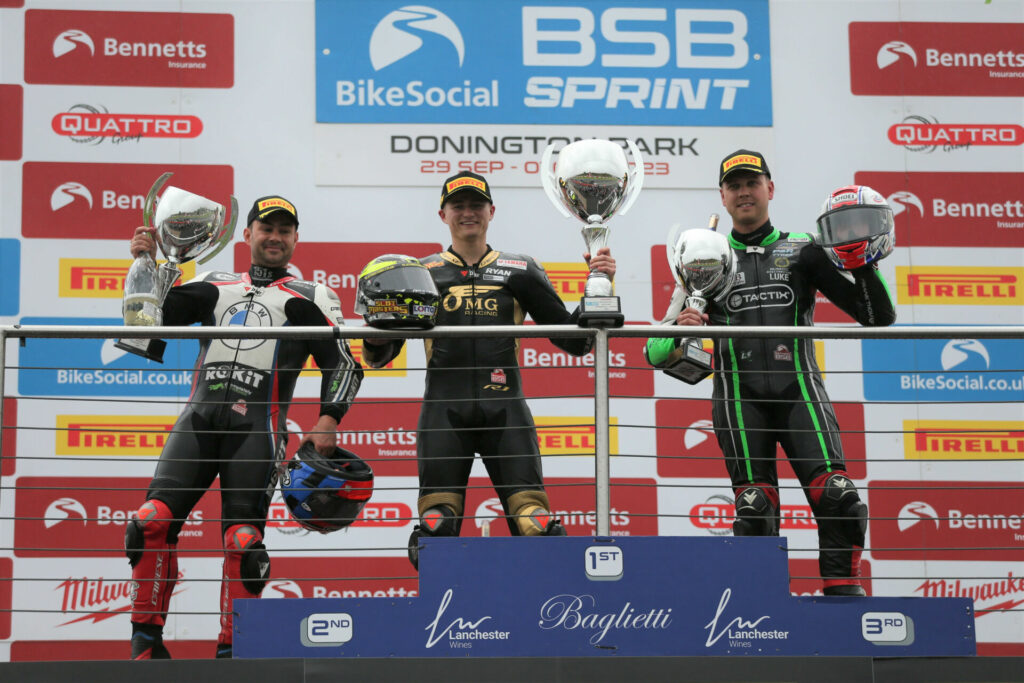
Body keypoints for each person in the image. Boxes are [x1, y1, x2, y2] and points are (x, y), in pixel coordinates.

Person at [645, 151, 896, 596]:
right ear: (722, 196)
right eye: (734, 185)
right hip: (739, 399)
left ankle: (843, 599)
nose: (744, 192)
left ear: (770, 189)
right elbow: (655, 351)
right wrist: (682, 323)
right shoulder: (704, 255)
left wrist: (862, 264)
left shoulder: (805, 249)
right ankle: (762, 609)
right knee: (756, 507)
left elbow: (876, 317)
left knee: (839, 496)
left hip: (801, 390)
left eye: (752, 183)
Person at [124, 195, 363, 658]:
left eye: (284, 230)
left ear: (296, 239)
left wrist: (329, 420)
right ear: (247, 234)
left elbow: (344, 364)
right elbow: (149, 321)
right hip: (197, 420)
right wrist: (147, 263)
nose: (274, 237)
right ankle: (145, 644)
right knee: (150, 522)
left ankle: (233, 651)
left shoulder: (311, 296)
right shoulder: (216, 283)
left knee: (243, 540)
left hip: (259, 430)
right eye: (265, 228)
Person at [362, 171, 616, 568]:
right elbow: (380, 355)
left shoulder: (521, 268)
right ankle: (443, 623)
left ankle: (546, 620)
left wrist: (598, 287)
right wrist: (376, 336)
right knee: (434, 530)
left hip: (507, 413)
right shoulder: (420, 272)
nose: (468, 213)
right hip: (444, 412)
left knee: (538, 525)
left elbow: (574, 340)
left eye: (476, 205)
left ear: (491, 211)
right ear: (442, 213)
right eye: (458, 205)